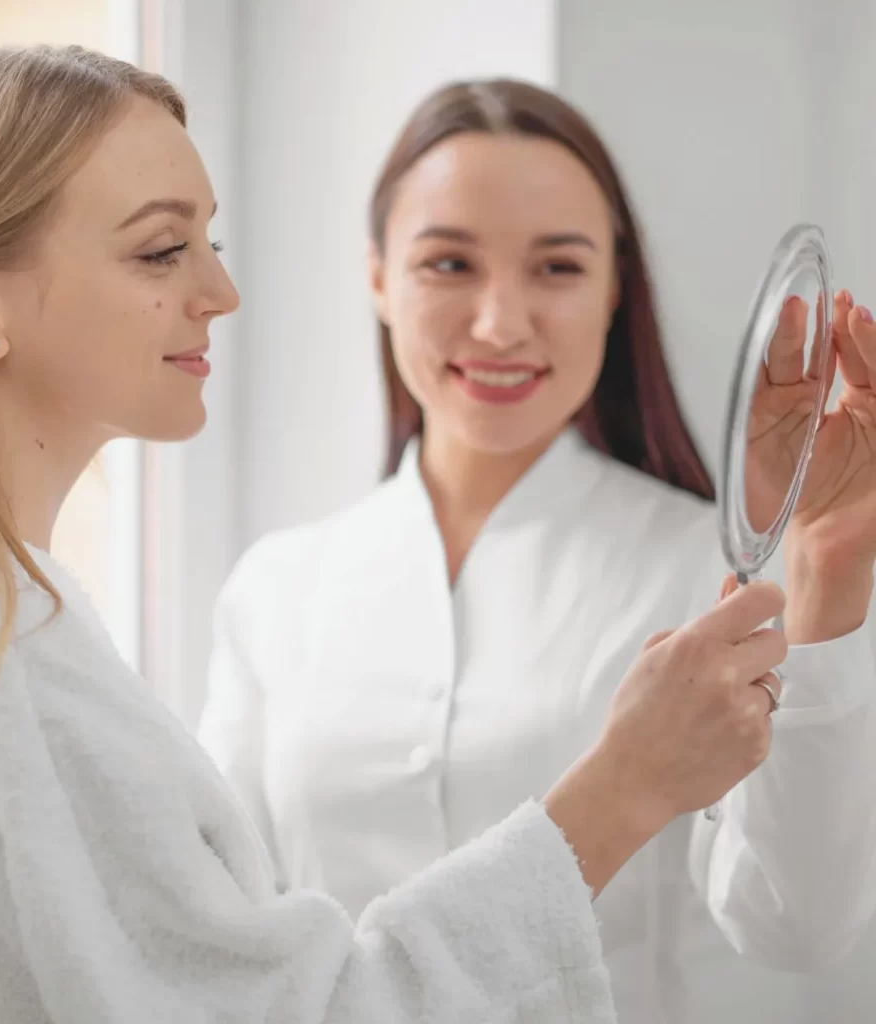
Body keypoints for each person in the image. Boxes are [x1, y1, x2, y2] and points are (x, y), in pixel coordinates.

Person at [0, 45, 803, 1024]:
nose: (219, 294)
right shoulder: (3, 667)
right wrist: (620, 787)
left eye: (206, 242)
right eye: (157, 249)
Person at [198, 79, 876, 1024]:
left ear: (614, 291)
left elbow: (800, 926)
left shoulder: (710, 571)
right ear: (379, 277)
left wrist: (832, 571)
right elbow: (226, 941)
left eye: (557, 268)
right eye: (448, 264)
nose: (501, 323)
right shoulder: (276, 592)